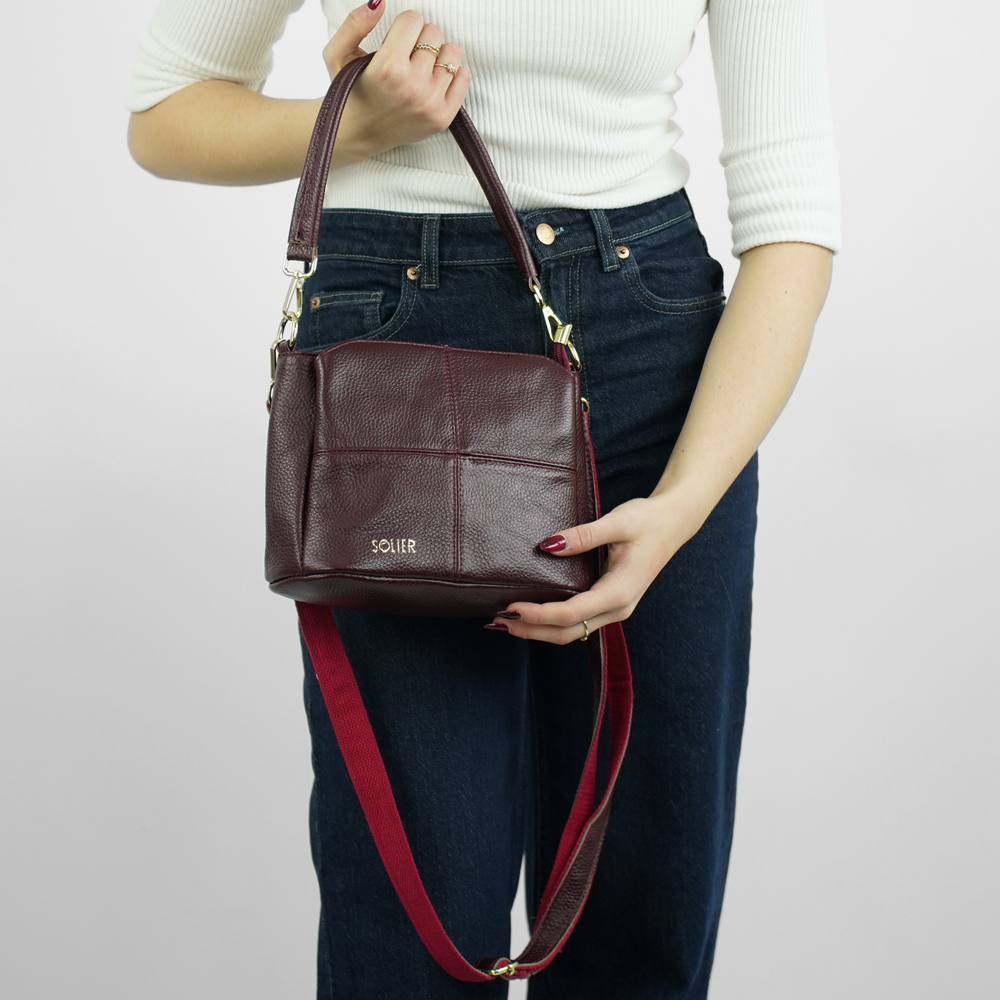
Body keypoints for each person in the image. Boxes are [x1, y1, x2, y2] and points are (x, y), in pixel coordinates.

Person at [126, 1, 839, 996]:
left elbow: (793, 210)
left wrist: (681, 506)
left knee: (646, 904)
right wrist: (354, 127)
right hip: (395, 349)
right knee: (411, 935)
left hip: (658, 380)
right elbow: (163, 110)